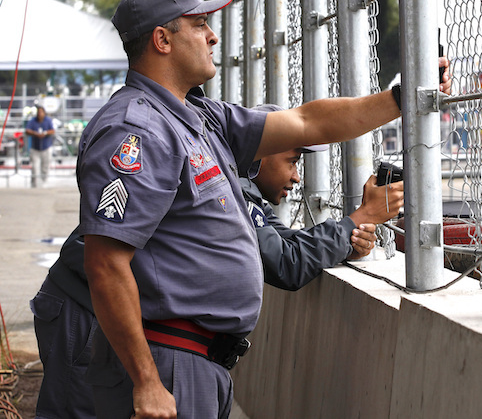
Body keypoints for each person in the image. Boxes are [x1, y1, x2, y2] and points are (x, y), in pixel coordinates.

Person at [76, 0, 449, 418]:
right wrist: (147, 382)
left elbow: (308, 122)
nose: (213, 36)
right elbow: (105, 263)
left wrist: (400, 98)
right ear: (162, 39)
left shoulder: (198, 114)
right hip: (167, 362)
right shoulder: (135, 130)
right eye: (198, 25)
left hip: (199, 363)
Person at [30, 139, 403, 419]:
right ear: (257, 158)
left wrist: (345, 237)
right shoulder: (226, 188)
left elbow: (281, 243)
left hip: (105, 312)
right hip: (87, 310)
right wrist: (359, 218)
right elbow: (286, 263)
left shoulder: (244, 194)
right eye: (290, 160)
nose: (295, 175)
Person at [25, 105, 55, 188]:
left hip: (46, 147)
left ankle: (44, 183)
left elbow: (52, 130)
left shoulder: (48, 121)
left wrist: (45, 133)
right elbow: (27, 130)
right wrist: (35, 133)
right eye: (38, 112)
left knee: (45, 167)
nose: (40, 114)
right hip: (35, 148)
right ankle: (34, 184)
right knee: (35, 167)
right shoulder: (32, 121)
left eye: (41, 112)